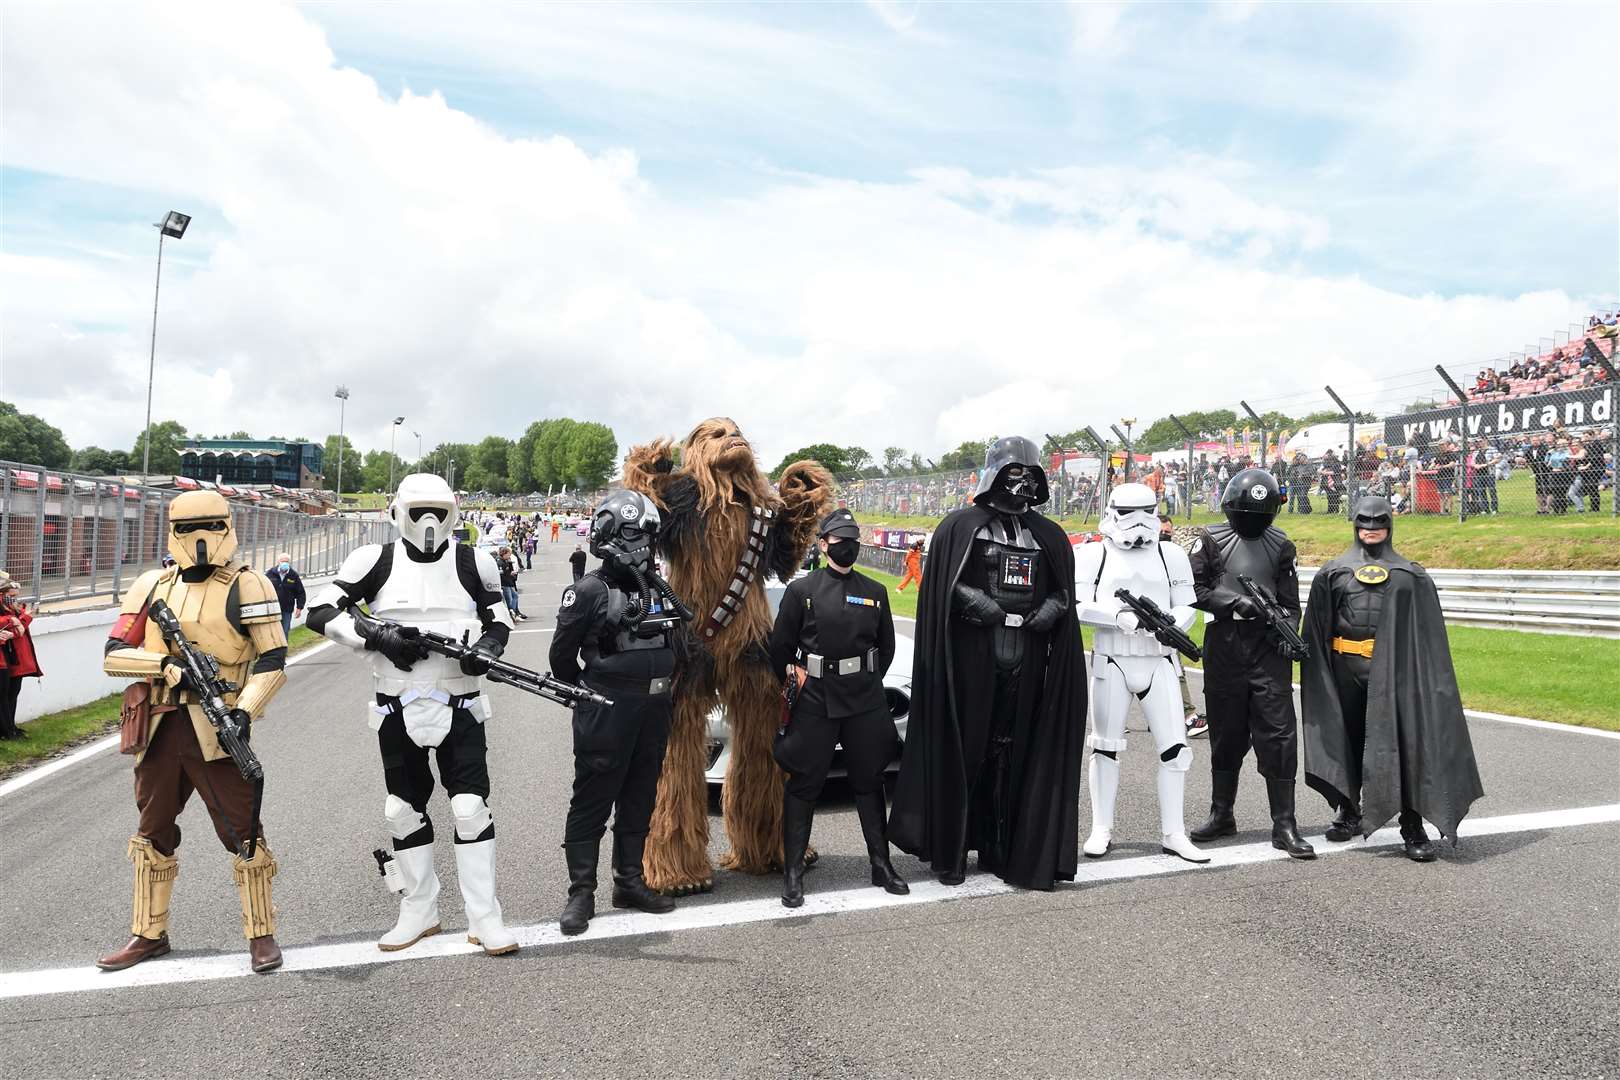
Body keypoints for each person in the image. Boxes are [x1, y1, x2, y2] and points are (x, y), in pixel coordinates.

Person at [306, 474, 519, 956]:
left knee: (470, 809)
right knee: (402, 811)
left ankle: (485, 918)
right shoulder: (374, 561)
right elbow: (319, 610)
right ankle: (419, 910)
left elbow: (498, 617)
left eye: (438, 512)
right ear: (397, 510)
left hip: (461, 702)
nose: (428, 522)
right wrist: (375, 638)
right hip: (396, 704)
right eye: (418, 510)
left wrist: (486, 647)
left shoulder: (473, 560)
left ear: (454, 513)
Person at [96, 491, 288, 973]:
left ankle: (261, 934)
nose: (200, 539)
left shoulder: (249, 585)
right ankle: (148, 932)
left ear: (228, 526)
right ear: (172, 531)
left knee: (243, 832)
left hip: (218, 725)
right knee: (152, 830)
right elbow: (114, 652)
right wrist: (163, 663)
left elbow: (272, 657)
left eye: (211, 525)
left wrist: (244, 711)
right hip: (160, 724)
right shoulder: (151, 585)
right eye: (188, 527)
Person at [890, 436, 1087, 890]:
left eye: (1029, 475)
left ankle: (1002, 844)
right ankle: (954, 846)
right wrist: (977, 603)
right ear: (993, 475)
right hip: (973, 655)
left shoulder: (1048, 535)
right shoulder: (960, 527)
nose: (1020, 483)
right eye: (1012, 473)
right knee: (967, 747)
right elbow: (943, 586)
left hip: (1029, 654)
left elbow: (1062, 591)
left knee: (1013, 750)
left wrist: (1052, 611)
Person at [1301, 497, 1483, 861]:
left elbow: (1429, 638)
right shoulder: (1333, 571)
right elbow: (1315, 629)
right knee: (1347, 740)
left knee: (1404, 746)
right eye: (1364, 521)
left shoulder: (1411, 575)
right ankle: (1349, 810)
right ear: (1354, 523)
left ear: (1390, 524)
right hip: (1345, 669)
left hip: (1395, 676)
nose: (1371, 527)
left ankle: (1411, 825)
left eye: (1378, 521)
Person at [549, 491, 687, 935]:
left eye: (647, 534)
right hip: (607, 706)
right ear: (608, 532)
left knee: (641, 794)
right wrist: (590, 693)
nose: (642, 543)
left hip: (655, 706)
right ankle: (581, 892)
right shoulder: (589, 590)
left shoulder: (660, 588)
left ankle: (630, 881)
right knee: (593, 797)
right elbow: (561, 658)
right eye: (632, 533)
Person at [769, 509, 906, 908]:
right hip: (816, 698)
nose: (848, 546)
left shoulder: (875, 591)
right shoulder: (802, 590)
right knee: (805, 783)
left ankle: (881, 865)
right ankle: (792, 873)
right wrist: (795, 680)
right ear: (823, 543)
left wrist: (866, 681)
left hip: (863, 698)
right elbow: (780, 648)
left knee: (869, 780)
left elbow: (886, 648)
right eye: (840, 539)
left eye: (853, 539)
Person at [1074, 484, 1209, 864]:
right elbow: (1079, 604)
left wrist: (1169, 624)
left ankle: (1174, 832)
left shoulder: (1172, 554)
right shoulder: (1093, 554)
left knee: (1176, 750)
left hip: (1161, 659)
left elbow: (1187, 605)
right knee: (1104, 745)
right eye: (1128, 513)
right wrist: (1118, 617)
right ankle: (1102, 827)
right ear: (1112, 511)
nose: (1138, 523)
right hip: (1112, 657)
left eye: (1146, 511)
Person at [1186, 470, 1313, 859]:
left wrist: (1287, 633)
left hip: (1267, 647)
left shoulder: (1281, 545)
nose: (1252, 520)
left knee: (1278, 733)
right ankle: (1221, 813)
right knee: (1225, 731)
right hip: (1224, 641)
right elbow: (1194, 589)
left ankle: (1284, 823)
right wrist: (1232, 603)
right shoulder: (1209, 540)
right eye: (1246, 511)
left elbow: (1291, 605)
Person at [1156, 516, 1206, 739]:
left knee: (1175, 668)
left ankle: (1184, 715)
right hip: (1139, 624)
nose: (1166, 535)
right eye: (1162, 531)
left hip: (1167, 621)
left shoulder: (1173, 558)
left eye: (1169, 532)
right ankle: (1187, 716)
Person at [0, 572, 41, 739]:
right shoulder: (8, 611)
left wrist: (22, 620)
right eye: (11, 596)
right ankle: (7, 731)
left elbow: (19, 631)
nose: (14, 599)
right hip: (6, 657)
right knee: (4, 696)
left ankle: (11, 728)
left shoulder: (14, 608)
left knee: (12, 694)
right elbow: (12, 628)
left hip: (15, 658)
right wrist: (14, 621)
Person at [265, 552, 305, 638]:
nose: (284, 563)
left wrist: (299, 607)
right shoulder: (270, 573)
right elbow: (263, 589)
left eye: (286, 561)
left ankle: (283, 651)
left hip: (287, 609)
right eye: (282, 561)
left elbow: (300, 593)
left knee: (284, 631)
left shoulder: (293, 575)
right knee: (272, 631)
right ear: (278, 562)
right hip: (273, 608)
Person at [496, 545, 527, 622]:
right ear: (504, 554)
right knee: (509, 600)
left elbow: (507, 572)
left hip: (509, 583)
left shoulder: (506, 561)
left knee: (515, 596)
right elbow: (501, 575)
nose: (509, 556)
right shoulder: (500, 562)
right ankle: (511, 614)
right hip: (505, 584)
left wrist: (511, 573)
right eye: (508, 554)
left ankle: (514, 613)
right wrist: (510, 574)